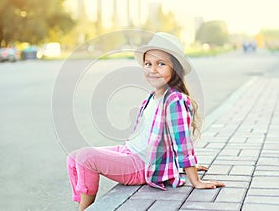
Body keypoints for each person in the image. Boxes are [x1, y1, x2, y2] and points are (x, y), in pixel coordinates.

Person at [66, 32, 225, 211]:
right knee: (74, 157)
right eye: (148, 64)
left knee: (86, 158)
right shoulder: (153, 97)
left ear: (176, 69)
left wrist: (195, 179)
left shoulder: (175, 101)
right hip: (129, 151)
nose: (152, 69)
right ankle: (81, 203)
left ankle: (85, 209)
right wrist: (177, 166)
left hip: (142, 165)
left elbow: (182, 142)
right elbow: (160, 139)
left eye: (161, 64)